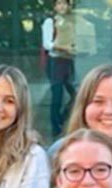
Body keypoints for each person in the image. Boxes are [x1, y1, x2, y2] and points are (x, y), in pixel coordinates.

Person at [43, 0, 77, 136]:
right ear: (54, 6)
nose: (62, 6)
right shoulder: (50, 22)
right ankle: (55, 127)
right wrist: (64, 48)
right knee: (57, 96)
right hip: (55, 61)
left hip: (68, 60)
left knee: (76, 95)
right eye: (59, 4)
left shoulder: (71, 21)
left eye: (64, 3)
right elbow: (47, 44)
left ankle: (62, 119)